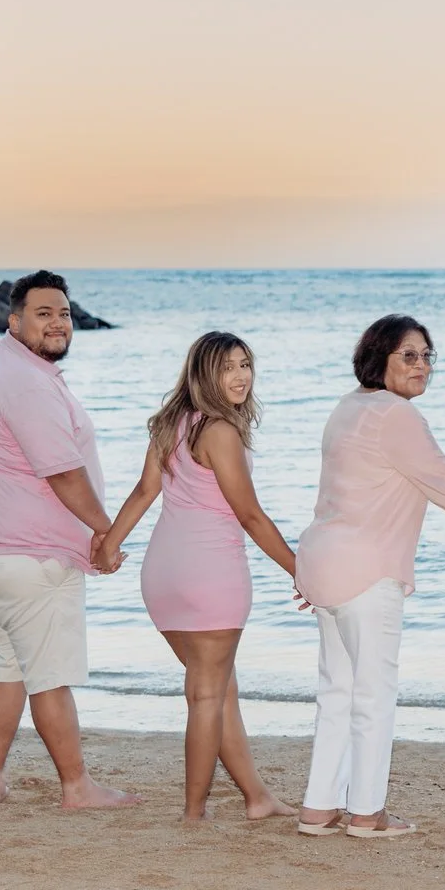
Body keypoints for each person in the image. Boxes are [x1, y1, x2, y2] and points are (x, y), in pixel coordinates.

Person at [290, 316, 445, 839]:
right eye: (409, 355)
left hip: (323, 560)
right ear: (379, 356)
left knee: (337, 691)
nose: (422, 365)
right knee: (373, 693)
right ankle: (366, 812)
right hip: (365, 569)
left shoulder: (347, 407)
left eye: (428, 356)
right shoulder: (395, 415)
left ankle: (319, 808)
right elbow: (444, 480)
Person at [0, 270, 137, 810]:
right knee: (50, 673)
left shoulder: (6, 365)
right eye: (43, 314)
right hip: (25, 557)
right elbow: (64, 474)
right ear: (15, 321)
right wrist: (106, 532)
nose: (57, 323)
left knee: (6, 664)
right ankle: (77, 786)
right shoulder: (27, 381)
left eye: (64, 314)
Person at [96, 332, 294, 822]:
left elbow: (145, 492)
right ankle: (193, 812)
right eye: (228, 367)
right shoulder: (220, 431)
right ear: (204, 373)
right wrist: (300, 569)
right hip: (210, 578)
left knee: (218, 688)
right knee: (207, 694)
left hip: (163, 577)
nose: (241, 376)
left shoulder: (171, 423)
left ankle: (256, 797)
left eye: (246, 364)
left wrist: (109, 544)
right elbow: (249, 515)